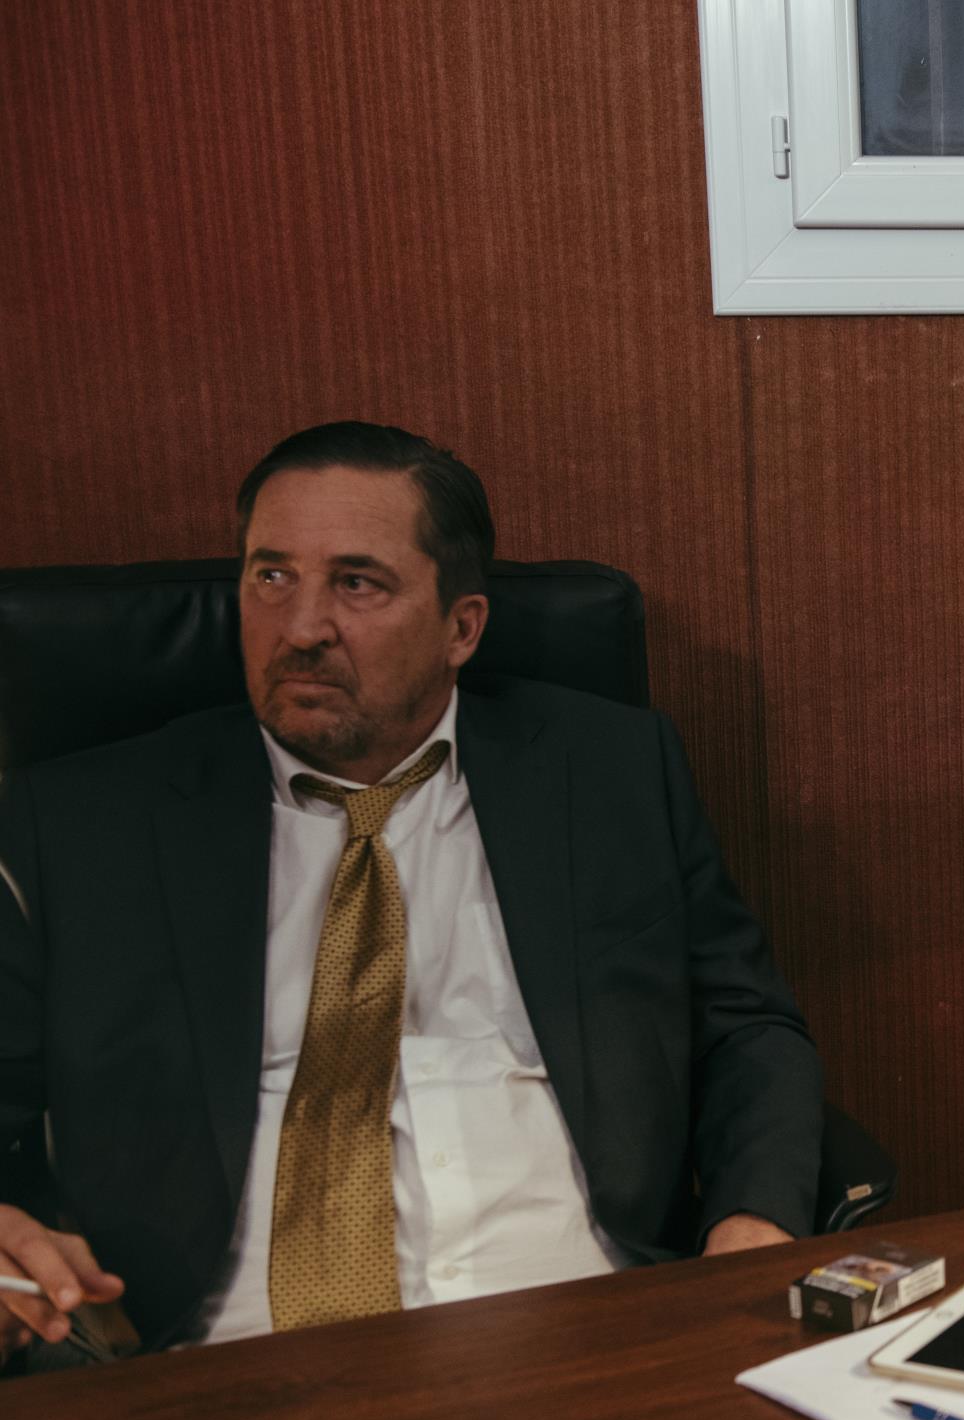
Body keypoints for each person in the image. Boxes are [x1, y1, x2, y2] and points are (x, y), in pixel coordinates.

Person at [0, 422, 824, 1362]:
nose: (301, 628)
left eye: (357, 583)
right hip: (223, 1366)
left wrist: (754, 1224)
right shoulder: (82, 823)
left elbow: (744, 1027)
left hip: (590, 1335)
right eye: (272, 576)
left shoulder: (608, 771)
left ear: (461, 627)